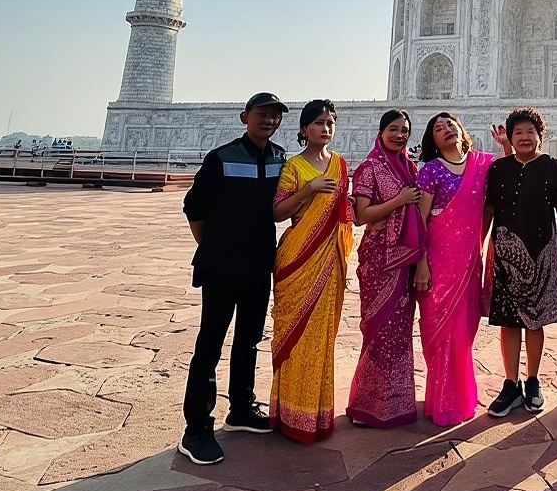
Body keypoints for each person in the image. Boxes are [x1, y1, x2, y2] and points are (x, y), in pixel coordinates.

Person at [178, 92, 288, 465]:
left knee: (248, 339)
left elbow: (278, 208)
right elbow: (194, 205)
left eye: (275, 115)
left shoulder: (278, 158)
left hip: (258, 265)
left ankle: (240, 407)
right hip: (222, 266)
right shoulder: (222, 158)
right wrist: (212, 245)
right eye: (262, 114)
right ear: (245, 117)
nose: (269, 120)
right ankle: (196, 428)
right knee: (210, 342)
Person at [413, 113, 511, 426]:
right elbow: (419, 221)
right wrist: (421, 264)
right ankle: (441, 400)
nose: (446, 130)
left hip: (468, 262)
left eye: (450, 125)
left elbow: (509, 176)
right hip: (437, 263)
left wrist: (507, 146)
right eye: (438, 128)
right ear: (433, 139)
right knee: (438, 332)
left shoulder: (482, 164)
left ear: (461, 129)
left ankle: (458, 397)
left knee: (463, 333)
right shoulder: (430, 171)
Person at [269, 99, 354, 443]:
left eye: (330, 122)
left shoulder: (339, 164)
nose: (326, 128)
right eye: (319, 122)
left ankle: (315, 413)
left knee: (321, 338)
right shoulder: (293, 166)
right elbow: (277, 212)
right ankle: (288, 412)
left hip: (329, 258)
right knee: (295, 335)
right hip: (298, 259)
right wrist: (309, 189)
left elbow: (346, 215)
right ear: (304, 129)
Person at [483, 107, 557, 418]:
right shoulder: (498, 170)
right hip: (505, 253)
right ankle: (511, 383)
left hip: (543, 251)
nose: (524, 137)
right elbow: (489, 211)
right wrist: (479, 246)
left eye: (530, 132)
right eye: (518, 132)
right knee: (508, 321)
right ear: (510, 137)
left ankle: (532, 380)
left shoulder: (555, 168)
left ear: (540, 136)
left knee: (536, 320)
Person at [347, 109, 423, 428]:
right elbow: (363, 215)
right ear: (381, 132)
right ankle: (367, 404)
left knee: (400, 329)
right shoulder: (369, 168)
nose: (400, 135)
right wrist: (400, 200)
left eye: (405, 130)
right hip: (379, 257)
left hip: (405, 259)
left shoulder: (410, 168)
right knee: (378, 327)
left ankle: (396, 403)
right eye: (394, 129)